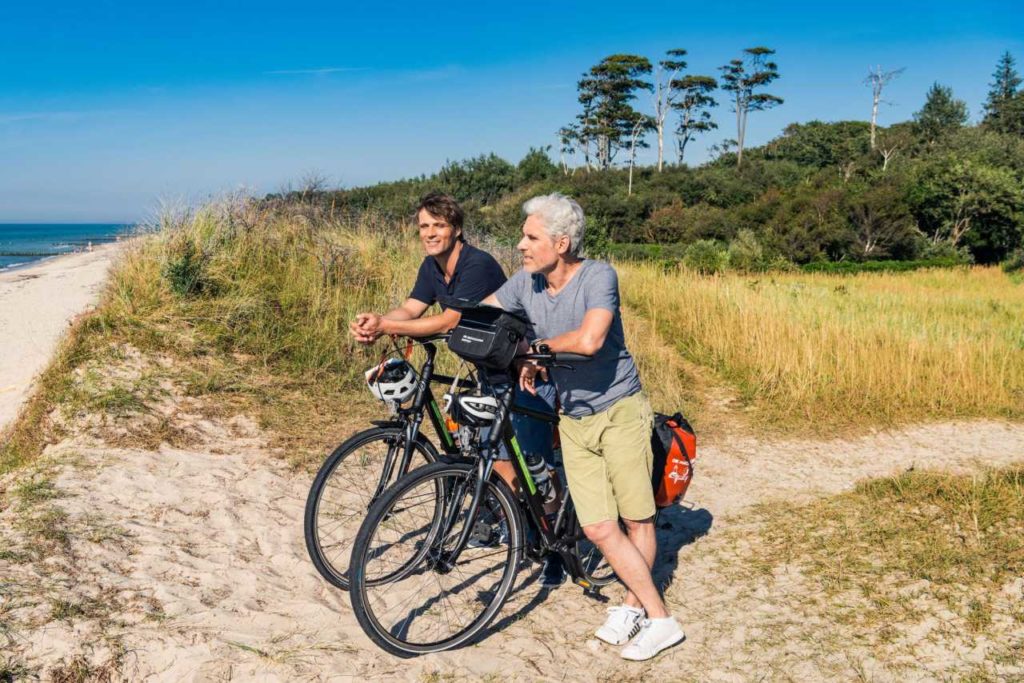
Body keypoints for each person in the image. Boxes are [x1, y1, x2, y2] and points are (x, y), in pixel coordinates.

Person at [482, 193, 684, 661]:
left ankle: (649, 614)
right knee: (597, 527)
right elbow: (478, 311)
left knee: (636, 518)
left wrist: (536, 351)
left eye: (530, 237)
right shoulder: (527, 284)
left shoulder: (598, 276)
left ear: (562, 242)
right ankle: (651, 612)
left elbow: (592, 339)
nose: (520, 245)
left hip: (618, 410)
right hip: (573, 418)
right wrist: (403, 325)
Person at [349, 191, 566, 586]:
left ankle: (554, 544)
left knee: (532, 468)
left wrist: (389, 326)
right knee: (496, 461)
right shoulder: (432, 267)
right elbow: (412, 309)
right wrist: (378, 320)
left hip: (524, 373)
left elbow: (449, 321)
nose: (430, 233)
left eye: (439, 225)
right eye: (424, 227)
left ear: (457, 229)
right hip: (489, 371)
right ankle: (510, 520)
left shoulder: (477, 265)